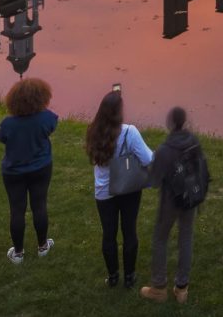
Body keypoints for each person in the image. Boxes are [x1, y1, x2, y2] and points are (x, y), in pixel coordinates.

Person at [141, 106, 211, 304]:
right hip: (191, 198)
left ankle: (159, 288)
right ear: (184, 122)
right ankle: (182, 289)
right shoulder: (194, 141)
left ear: (170, 123)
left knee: (160, 238)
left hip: (170, 201)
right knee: (186, 237)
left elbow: (153, 181)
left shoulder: (164, 150)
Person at [85, 89, 154, 288]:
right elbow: (148, 159)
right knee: (129, 231)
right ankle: (130, 277)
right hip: (128, 189)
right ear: (119, 112)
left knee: (109, 234)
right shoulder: (129, 132)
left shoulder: (93, 131)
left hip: (103, 191)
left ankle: (113, 276)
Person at [0, 77, 58, 264]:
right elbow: (51, 127)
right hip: (41, 168)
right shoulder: (47, 118)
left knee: (17, 210)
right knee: (39, 205)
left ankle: (18, 253)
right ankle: (42, 247)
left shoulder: (8, 123)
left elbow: (1, 138)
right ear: (41, 98)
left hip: (13, 172)